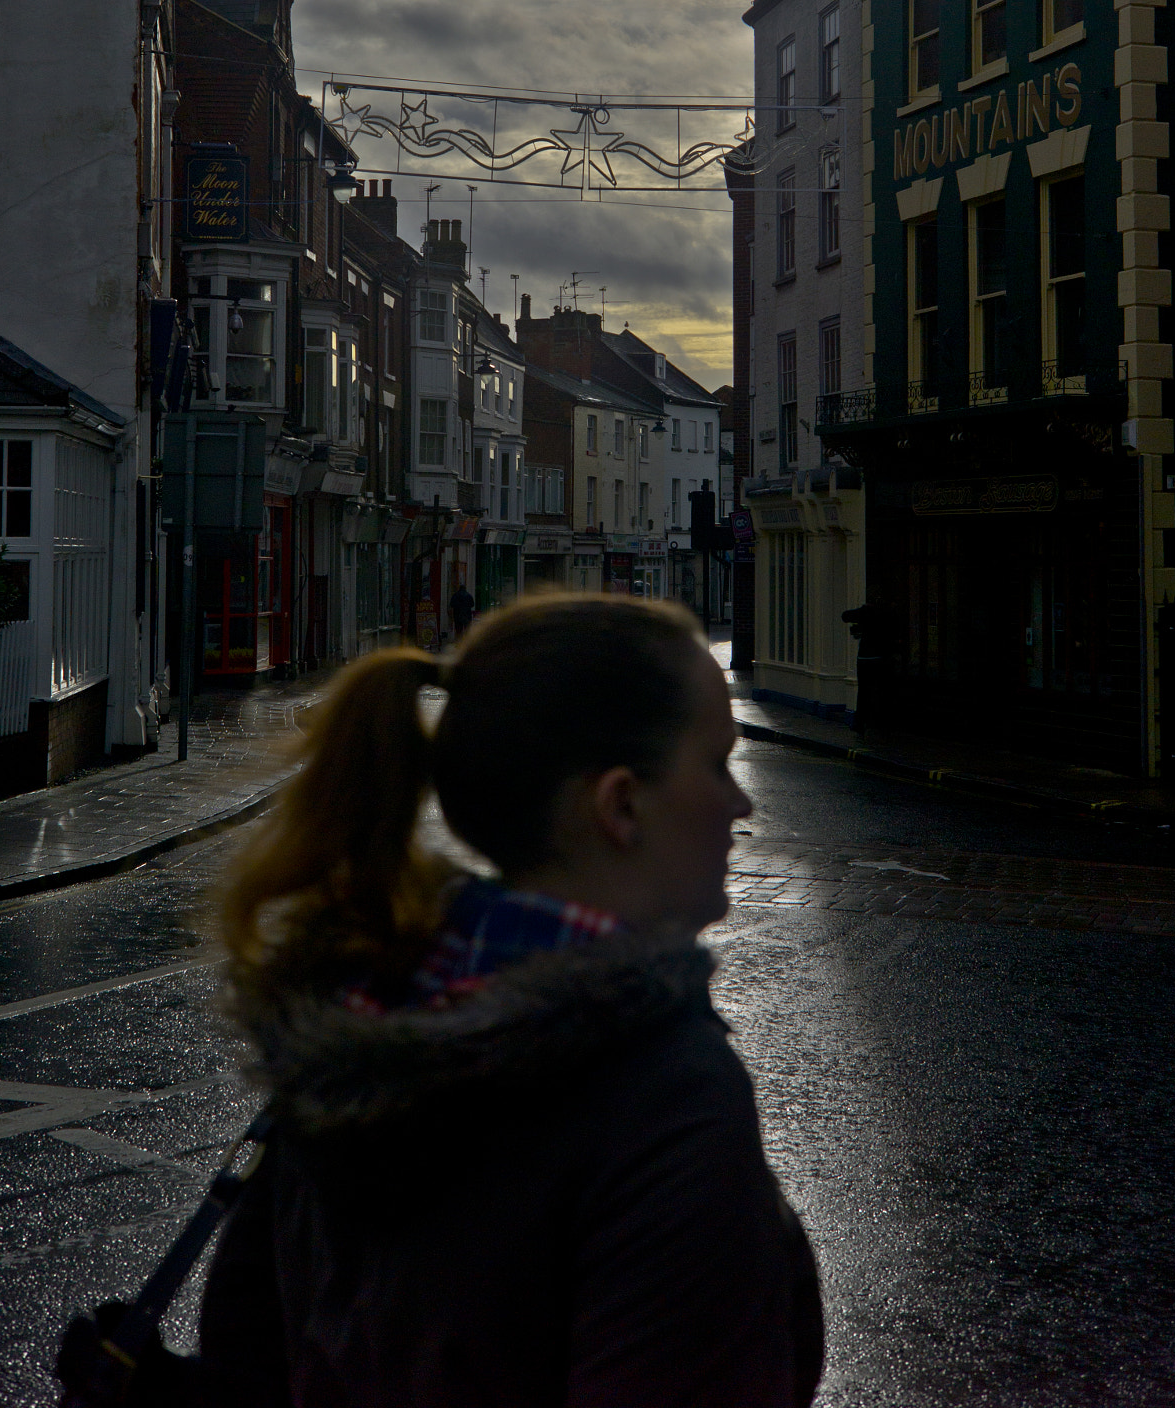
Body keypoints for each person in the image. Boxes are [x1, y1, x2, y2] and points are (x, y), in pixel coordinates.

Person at [198, 594, 824, 1405]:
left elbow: (248, 1355)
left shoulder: (353, 1036)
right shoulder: (666, 1094)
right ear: (621, 805)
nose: (739, 805)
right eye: (715, 762)